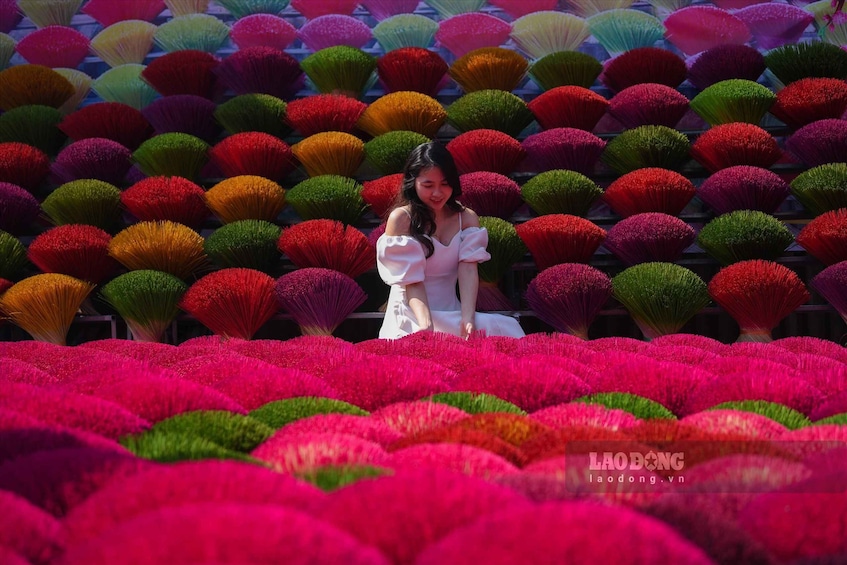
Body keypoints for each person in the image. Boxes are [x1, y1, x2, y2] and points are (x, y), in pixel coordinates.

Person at [375, 141, 525, 339]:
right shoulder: (402, 219)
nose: (437, 193)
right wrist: (426, 325)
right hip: (411, 312)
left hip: (451, 311)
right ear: (413, 183)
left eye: (445, 184)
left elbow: (468, 270)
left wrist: (468, 317)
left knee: (507, 329)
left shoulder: (467, 217)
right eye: (428, 185)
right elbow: (411, 282)